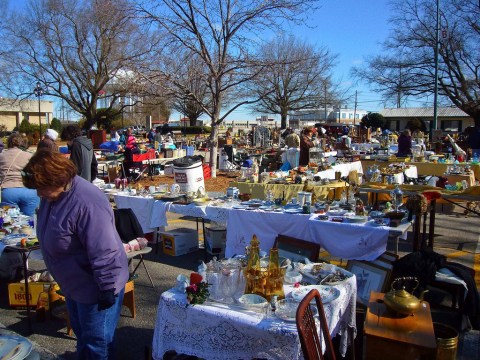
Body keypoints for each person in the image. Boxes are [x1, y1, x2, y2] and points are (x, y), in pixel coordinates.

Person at [22, 150, 128, 359]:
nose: (38, 194)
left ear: (57, 178)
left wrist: (107, 287)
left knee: (98, 345)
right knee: (84, 339)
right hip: (74, 284)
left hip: (96, 286)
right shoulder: (53, 195)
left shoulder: (87, 201)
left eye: (41, 188)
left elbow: (104, 248)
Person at [0, 133, 40, 216]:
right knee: (30, 221)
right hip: (29, 191)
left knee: (10, 223)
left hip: (8, 191)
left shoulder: (2, 156)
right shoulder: (29, 155)